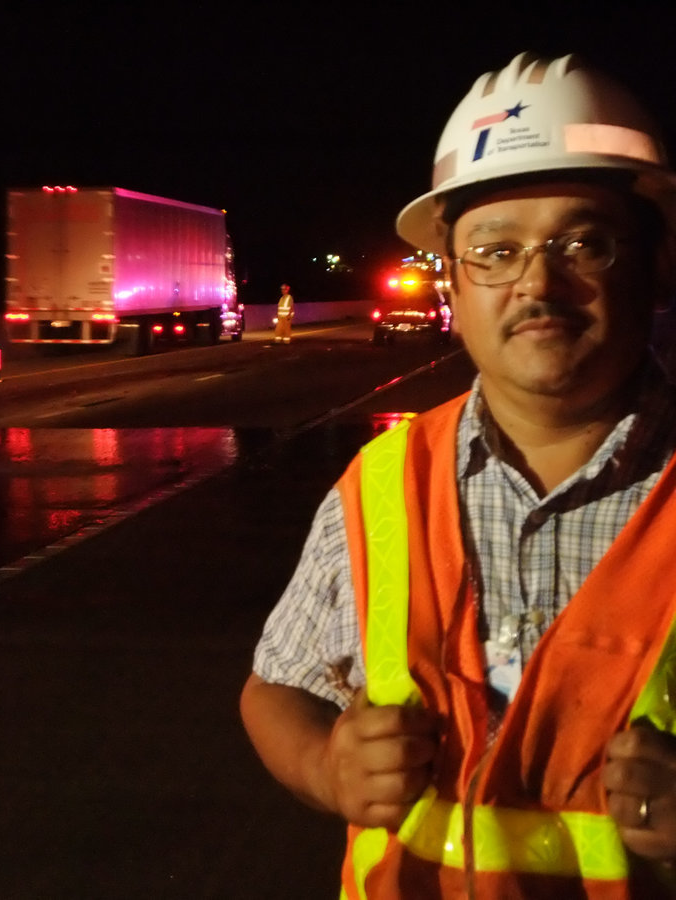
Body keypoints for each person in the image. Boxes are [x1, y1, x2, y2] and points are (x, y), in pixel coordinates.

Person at [239, 52, 676, 897]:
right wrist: (327, 767)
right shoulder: (380, 488)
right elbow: (273, 688)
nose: (537, 283)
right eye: (494, 250)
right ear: (453, 282)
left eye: (583, 241)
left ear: (656, 263)